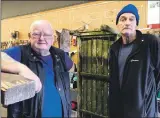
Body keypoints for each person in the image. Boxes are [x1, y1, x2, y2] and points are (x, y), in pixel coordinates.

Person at [1, 20, 74, 118]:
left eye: (47, 35)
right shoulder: (20, 52)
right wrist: (21, 68)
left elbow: (72, 68)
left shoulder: (60, 55)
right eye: (36, 34)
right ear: (29, 36)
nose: (42, 38)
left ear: (53, 38)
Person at [108, 4, 160, 118]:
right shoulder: (114, 48)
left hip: (143, 113)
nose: (127, 22)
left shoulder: (149, 43)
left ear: (136, 24)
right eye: (123, 19)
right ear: (117, 24)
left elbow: (158, 74)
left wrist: (145, 95)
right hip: (119, 111)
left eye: (131, 19)